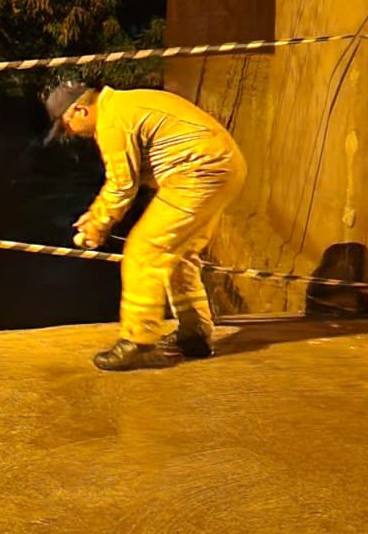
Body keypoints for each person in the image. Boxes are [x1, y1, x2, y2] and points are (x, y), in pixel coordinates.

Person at [42, 81, 247, 372]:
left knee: (144, 249)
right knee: (178, 252)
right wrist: (96, 215)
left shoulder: (113, 120)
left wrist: (98, 224)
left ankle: (138, 343)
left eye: (66, 126)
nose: (70, 133)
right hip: (222, 166)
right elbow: (132, 180)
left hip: (199, 170)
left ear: (79, 110)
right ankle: (194, 333)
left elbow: (121, 186)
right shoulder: (127, 105)